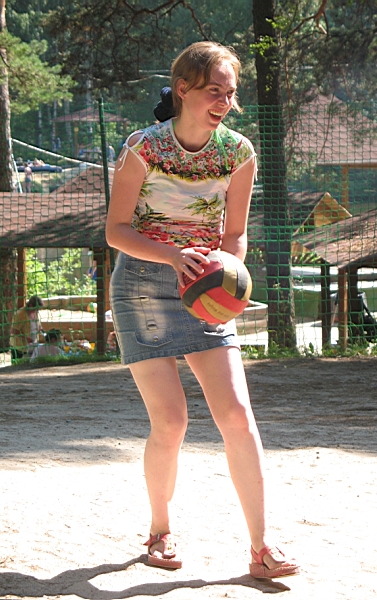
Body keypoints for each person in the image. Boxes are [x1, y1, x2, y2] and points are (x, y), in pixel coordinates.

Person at [106, 41, 299, 579]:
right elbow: (115, 231)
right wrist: (174, 256)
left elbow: (234, 235)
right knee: (171, 420)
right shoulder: (143, 148)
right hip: (143, 285)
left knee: (236, 414)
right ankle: (159, 531)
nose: (223, 102)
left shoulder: (239, 153)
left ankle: (261, 547)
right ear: (183, 89)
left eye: (230, 93)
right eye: (214, 90)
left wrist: (228, 274)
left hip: (205, 289)